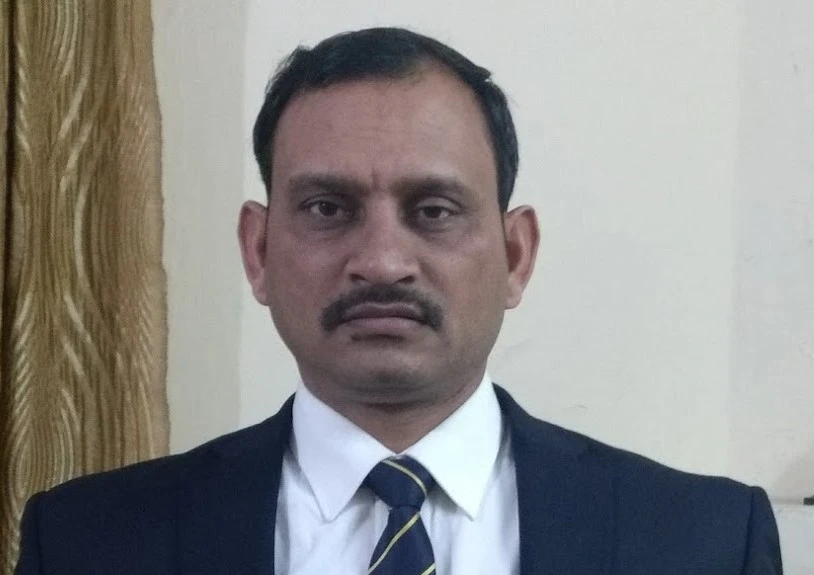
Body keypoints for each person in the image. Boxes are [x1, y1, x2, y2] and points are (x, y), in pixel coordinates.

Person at [16, 27, 782, 574]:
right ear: (258, 251)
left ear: (516, 256)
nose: (382, 261)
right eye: (327, 208)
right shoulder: (89, 542)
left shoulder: (706, 542)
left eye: (434, 210)